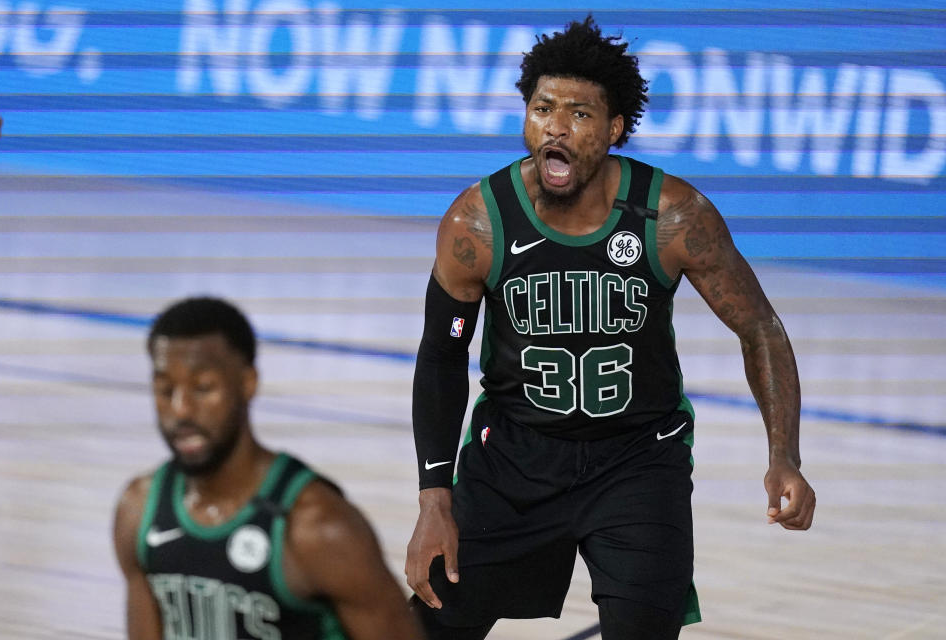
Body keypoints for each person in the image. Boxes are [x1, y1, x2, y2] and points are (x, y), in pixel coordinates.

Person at [405, 16, 816, 640]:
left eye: (580, 114)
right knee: (428, 626)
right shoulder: (476, 223)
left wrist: (783, 455)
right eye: (543, 109)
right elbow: (441, 356)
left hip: (638, 464)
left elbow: (760, 328)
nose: (557, 128)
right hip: (513, 461)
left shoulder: (672, 215)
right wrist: (435, 497)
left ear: (616, 129)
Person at [113, 296, 424, 640]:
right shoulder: (138, 512)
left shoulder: (318, 528)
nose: (181, 409)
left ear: (248, 383)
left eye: (203, 388)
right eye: (164, 389)